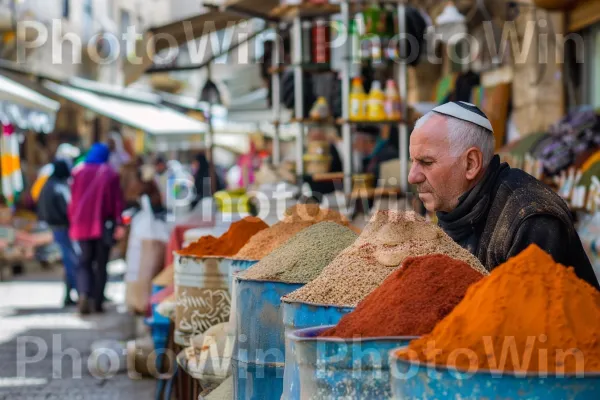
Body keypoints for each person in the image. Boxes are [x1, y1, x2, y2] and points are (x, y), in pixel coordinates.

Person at [408, 101, 600, 290]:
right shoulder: (453, 206)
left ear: (471, 164)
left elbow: (533, 315)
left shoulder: (529, 219)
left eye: (426, 162)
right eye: (413, 161)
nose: (412, 176)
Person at [69, 143, 125, 314]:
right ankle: (97, 302)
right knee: (101, 264)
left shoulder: (77, 171)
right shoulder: (109, 173)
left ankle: (84, 293)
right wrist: (119, 222)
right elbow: (116, 202)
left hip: (80, 225)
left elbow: (72, 199)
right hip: (102, 225)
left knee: (84, 262)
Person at [37, 160, 79, 307]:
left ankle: (70, 294)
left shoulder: (48, 185)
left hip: (54, 228)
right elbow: (67, 210)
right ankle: (77, 292)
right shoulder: (59, 187)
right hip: (62, 229)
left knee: (69, 261)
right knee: (71, 262)